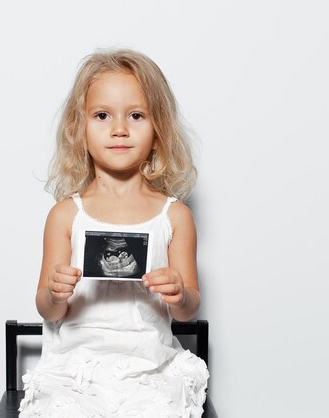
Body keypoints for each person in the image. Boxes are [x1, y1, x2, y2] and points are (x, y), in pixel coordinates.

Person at [19, 49, 209, 417]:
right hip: (74, 370)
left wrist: (178, 292)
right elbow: (46, 307)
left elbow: (188, 311)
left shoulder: (175, 216)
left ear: (158, 132)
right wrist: (56, 292)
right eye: (102, 115)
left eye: (136, 116)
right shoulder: (65, 215)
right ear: (80, 130)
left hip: (151, 369)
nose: (119, 129)